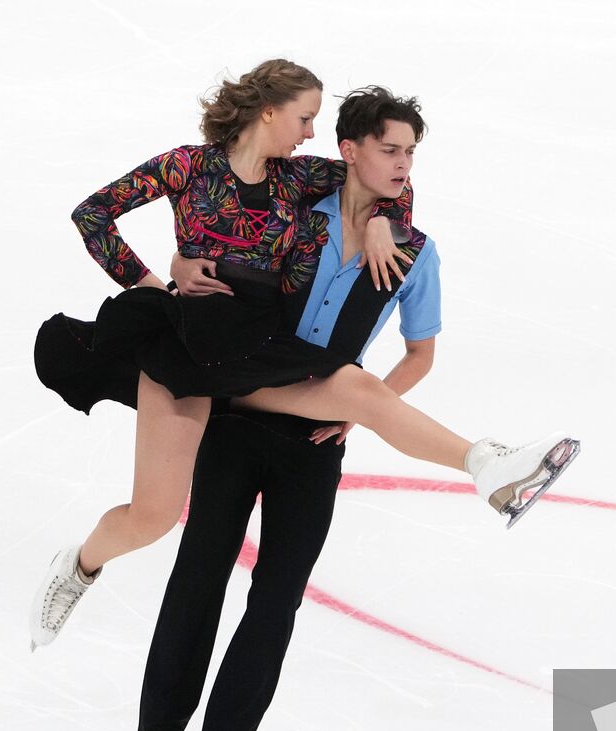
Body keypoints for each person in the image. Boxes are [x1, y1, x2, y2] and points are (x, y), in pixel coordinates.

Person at [30, 60, 579, 653]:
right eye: (305, 117)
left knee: (358, 389)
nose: (311, 132)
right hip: (182, 350)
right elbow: (93, 214)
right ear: (270, 112)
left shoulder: (295, 179)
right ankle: (80, 565)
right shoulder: (189, 166)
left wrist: (384, 226)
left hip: (255, 346)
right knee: (153, 517)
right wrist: (153, 283)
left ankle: (489, 467)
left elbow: (382, 176)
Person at [137, 86, 444, 731]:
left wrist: (356, 415)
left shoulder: (415, 247)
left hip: (313, 445)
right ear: (350, 150)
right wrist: (181, 260)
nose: (403, 164)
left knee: (277, 600)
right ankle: (159, 729)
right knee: (201, 570)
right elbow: (216, 236)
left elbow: (420, 353)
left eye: (411, 154)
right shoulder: (284, 213)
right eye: (390, 149)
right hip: (240, 419)